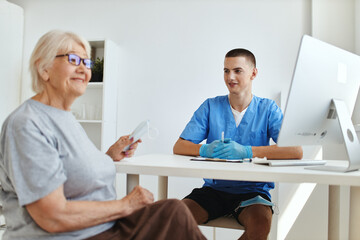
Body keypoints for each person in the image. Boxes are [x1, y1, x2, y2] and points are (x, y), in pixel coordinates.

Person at [0, 30, 206, 240]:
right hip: (73, 236)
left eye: (87, 62)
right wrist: (125, 205)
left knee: (172, 212)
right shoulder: (26, 124)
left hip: (102, 228)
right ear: (44, 69)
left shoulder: (65, 117)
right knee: (174, 217)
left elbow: (70, 170)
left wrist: (109, 156)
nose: (83, 68)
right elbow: (52, 216)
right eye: (73, 59)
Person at [173, 48, 303, 240]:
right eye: (226, 71)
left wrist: (246, 151)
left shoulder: (268, 109)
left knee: (260, 226)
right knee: (175, 218)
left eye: (237, 70)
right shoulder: (211, 106)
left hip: (253, 193)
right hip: (213, 191)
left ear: (253, 73)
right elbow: (179, 146)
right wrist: (204, 149)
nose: (230, 76)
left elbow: (295, 150)